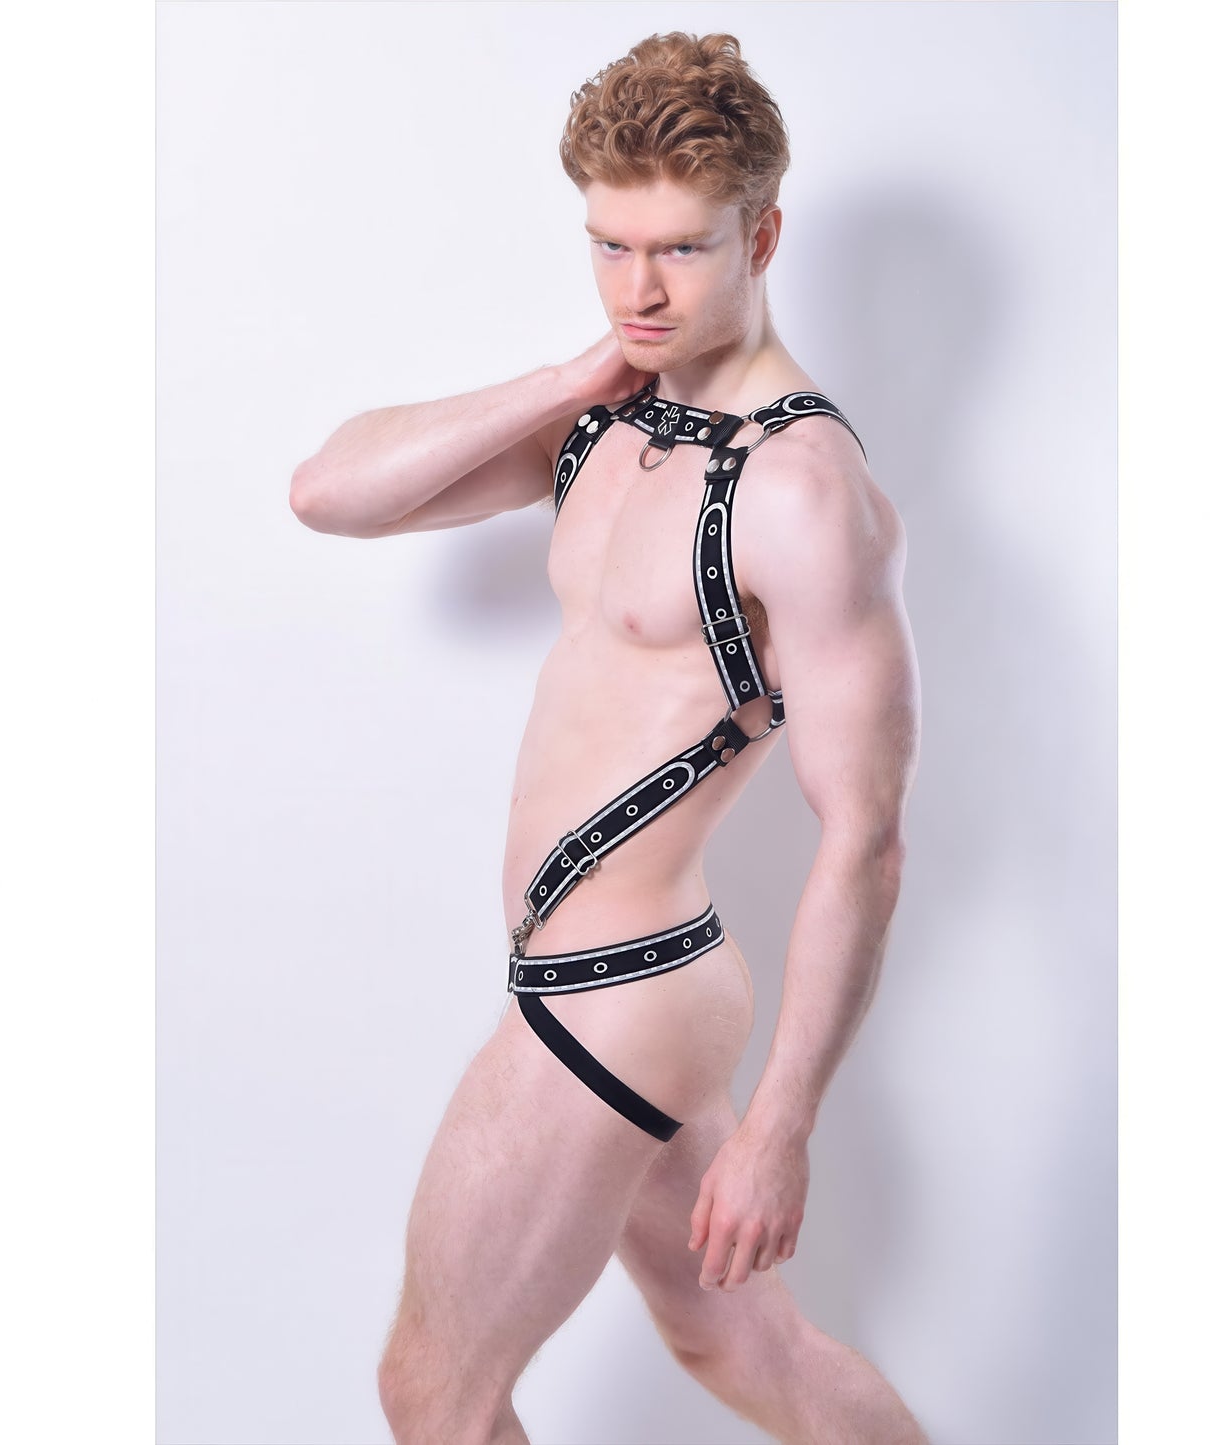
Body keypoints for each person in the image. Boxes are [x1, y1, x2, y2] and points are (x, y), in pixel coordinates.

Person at [290, 30, 924, 1445]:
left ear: (762, 232)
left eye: (681, 252)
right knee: (747, 1345)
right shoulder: (606, 421)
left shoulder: (802, 488)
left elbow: (864, 840)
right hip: (599, 973)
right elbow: (330, 492)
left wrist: (779, 1126)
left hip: (617, 990)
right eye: (609, 246)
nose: (640, 288)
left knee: (431, 1390)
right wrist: (574, 374)